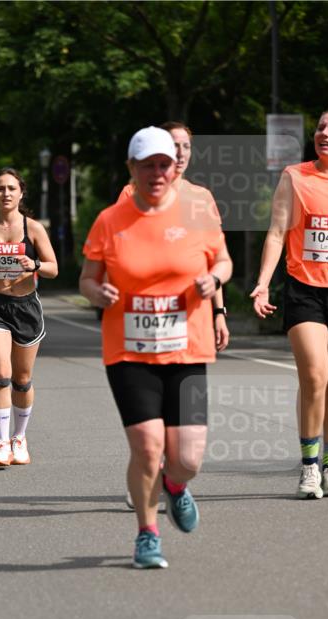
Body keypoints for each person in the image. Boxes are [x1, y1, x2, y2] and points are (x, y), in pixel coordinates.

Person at [80, 126, 232, 568]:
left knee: (186, 458)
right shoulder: (111, 220)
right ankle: (147, 534)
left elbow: (222, 259)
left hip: (187, 347)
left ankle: (176, 486)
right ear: (132, 168)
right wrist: (96, 293)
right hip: (129, 349)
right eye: (147, 164)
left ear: (175, 166)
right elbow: (88, 277)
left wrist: (215, 280)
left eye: (164, 163)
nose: (157, 172)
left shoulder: (197, 213)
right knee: (147, 446)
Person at [252, 109, 328, 499]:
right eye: (320, 127)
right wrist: (261, 284)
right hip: (304, 289)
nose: (324, 133)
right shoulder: (295, 176)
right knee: (315, 376)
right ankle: (308, 467)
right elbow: (276, 233)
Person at [120, 122, 230, 510]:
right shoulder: (131, 195)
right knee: (149, 423)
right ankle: (147, 469)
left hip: (189, 325)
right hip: (142, 326)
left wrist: (218, 310)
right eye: (174, 146)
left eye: (186, 147)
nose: (180, 154)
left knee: (183, 435)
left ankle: (171, 476)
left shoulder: (201, 198)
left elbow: (214, 259)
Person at [0, 168, 58, 467]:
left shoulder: (33, 228)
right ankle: (1, 444)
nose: (6, 193)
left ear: (21, 193)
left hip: (26, 308)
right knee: (0, 374)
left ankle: (19, 438)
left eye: (11, 188)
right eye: (0, 188)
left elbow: (53, 267)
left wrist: (33, 263)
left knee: (21, 380)